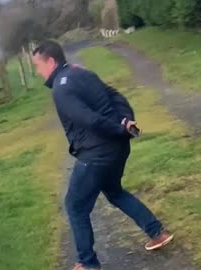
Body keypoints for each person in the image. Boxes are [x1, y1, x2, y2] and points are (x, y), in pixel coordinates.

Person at [31, 40, 174, 270]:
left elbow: (88, 119)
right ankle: (157, 232)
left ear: (50, 61)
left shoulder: (61, 87)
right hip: (117, 147)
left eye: (38, 66)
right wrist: (126, 121)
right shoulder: (81, 72)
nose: (38, 72)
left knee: (75, 205)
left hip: (96, 154)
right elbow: (115, 95)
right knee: (115, 192)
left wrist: (119, 128)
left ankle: (87, 263)